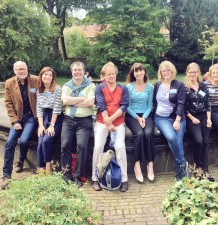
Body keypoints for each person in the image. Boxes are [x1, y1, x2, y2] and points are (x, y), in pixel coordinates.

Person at [92, 62, 129, 192]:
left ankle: (124, 179)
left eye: (113, 73)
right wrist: (108, 123)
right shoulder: (99, 88)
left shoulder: (123, 89)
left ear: (116, 74)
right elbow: (101, 105)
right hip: (102, 122)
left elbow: (124, 105)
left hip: (118, 123)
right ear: (104, 76)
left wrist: (112, 121)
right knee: (98, 146)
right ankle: (95, 178)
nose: (111, 76)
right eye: (108, 74)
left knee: (120, 147)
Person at [1, 61, 38, 189]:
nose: (22, 71)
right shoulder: (9, 83)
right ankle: (6, 175)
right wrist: (15, 121)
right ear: (14, 70)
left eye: (23, 69)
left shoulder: (35, 80)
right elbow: (8, 103)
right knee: (10, 143)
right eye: (19, 69)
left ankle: (21, 160)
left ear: (27, 69)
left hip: (31, 118)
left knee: (24, 141)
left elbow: (46, 92)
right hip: (18, 118)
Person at [61, 61, 95, 188]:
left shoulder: (90, 85)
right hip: (68, 120)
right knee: (65, 145)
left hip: (84, 121)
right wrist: (82, 99)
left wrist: (72, 102)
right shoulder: (67, 86)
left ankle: (78, 176)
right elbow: (65, 100)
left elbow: (90, 103)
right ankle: (66, 175)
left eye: (79, 70)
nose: (77, 72)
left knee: (81, 146)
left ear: (84, 71)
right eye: (75, 70)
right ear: (72, 72)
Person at [153, 61, 188, 181]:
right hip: (161, 118)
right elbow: (154, 102)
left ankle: (180, 176)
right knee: (172, 138)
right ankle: (183, 163)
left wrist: (177, 120)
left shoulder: (179, 85)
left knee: (178, 142)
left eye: (168, 70)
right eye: (163, 70)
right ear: (160, 73)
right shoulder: (157, 85)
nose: (165, 72)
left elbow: (181, 103)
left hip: (177, 117)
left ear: (172, 71)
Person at [125, 63, 155, 183]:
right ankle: (137, 164)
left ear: (144, 72)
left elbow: (149, 106)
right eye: (136, 71)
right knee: (139, 134)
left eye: (141, 70)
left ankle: (150, 164)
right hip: (132, 115)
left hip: (146, 114)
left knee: (148, 133)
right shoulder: (129, 87)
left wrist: (144, 117)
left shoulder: (149, 87)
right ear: (133, 73)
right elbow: (127, 106)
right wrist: (138, 118)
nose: (139, 73)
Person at [185, 63, 213, 180]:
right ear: (187, 73)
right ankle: (198, 166)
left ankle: (205, 169)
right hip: (191, 118)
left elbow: (208, 104)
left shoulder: (203, 86)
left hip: (204, 116)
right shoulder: (184, 87)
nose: (193, 74)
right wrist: (192, 118)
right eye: (190, 72)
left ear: (198, 73)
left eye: (195, 72)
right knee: (198, 140)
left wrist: (209, 119)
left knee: (206, 141)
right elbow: (183, 107)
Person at [36, 67, 63, 172]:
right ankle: (40, 167)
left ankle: (48, 166)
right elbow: (38, 108)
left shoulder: (57, 89)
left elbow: (57, 108)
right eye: (45, 74)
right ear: (41, 76)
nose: (47, 77)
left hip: (55, 118)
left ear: (53, 78)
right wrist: (41, 125)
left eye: (50, 75)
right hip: (44, 116)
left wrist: (51, 126)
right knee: (40, 140)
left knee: (46, 140)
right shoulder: (39, 90)